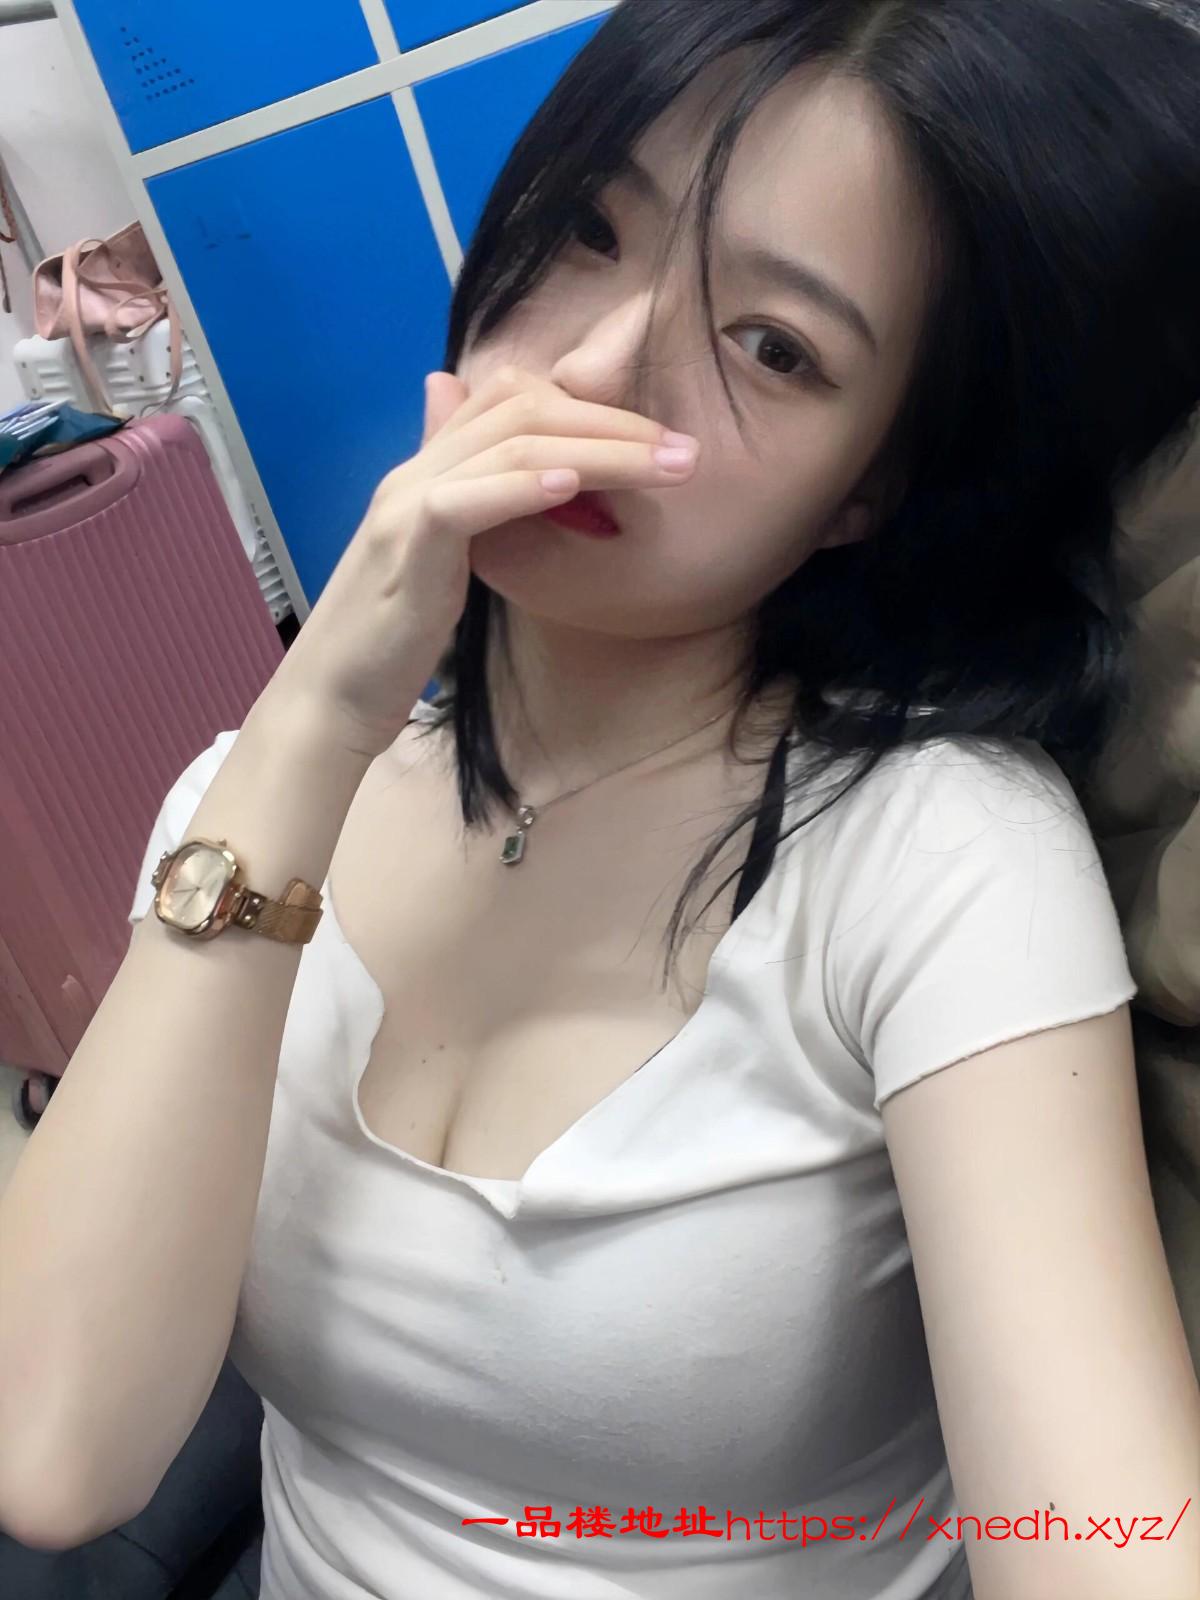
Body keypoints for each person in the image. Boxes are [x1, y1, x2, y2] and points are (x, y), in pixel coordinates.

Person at [2, 1, 1199, 1595]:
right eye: (583, 228)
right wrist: (312, 720)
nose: (588, 370)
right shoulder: (249, 806)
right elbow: (56, 1456)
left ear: (872, 485)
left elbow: (1106, 1545)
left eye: (773, 347)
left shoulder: (939, 855)